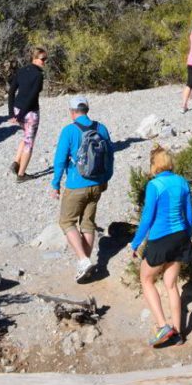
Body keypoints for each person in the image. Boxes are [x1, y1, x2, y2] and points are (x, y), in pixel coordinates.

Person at [131, 146, 192, 347]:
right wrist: (186, 238)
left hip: (161, 239)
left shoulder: (154, 185)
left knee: (146, 278)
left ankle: (162, 325)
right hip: (181, 236)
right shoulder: (182, 182)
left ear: (154, 165)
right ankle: (178, 333)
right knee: (171, 284)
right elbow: (190, 216)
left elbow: (147, 218)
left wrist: (135, 242)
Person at [51, 96, 114, 283]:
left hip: (76, 185)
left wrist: (55, 184)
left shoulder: (69, 130)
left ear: (72, 112)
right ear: (87, 108)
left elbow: (60, 160)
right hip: (97, 184)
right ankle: (85, 265)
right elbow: (110, 156)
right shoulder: (101, 128)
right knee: (87, 223)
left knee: (66, 222)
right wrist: (106, 178)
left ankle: (83, 259)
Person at [7, 46, 46, 183]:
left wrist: (12, 113)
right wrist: (20, 115)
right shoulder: (38, 75)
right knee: (29, 142)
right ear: (34, 58)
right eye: (42, 59)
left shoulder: (21, 71)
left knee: (25, 136)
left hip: (18, 110)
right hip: (30, 113)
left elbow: (11, 92)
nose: (44, 62)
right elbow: (32, 97)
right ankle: (21, 175)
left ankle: (16, 163)